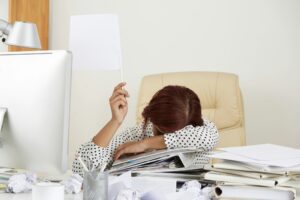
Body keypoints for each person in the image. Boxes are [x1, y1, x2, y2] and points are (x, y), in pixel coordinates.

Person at [72, 82, 218, 176]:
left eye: (172, 133)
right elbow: (82, 170)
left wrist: (146, 144)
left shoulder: (201, 131)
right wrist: (115, 121)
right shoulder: (141, 132)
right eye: (159, 129)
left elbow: (208, 138)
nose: (159, 133)